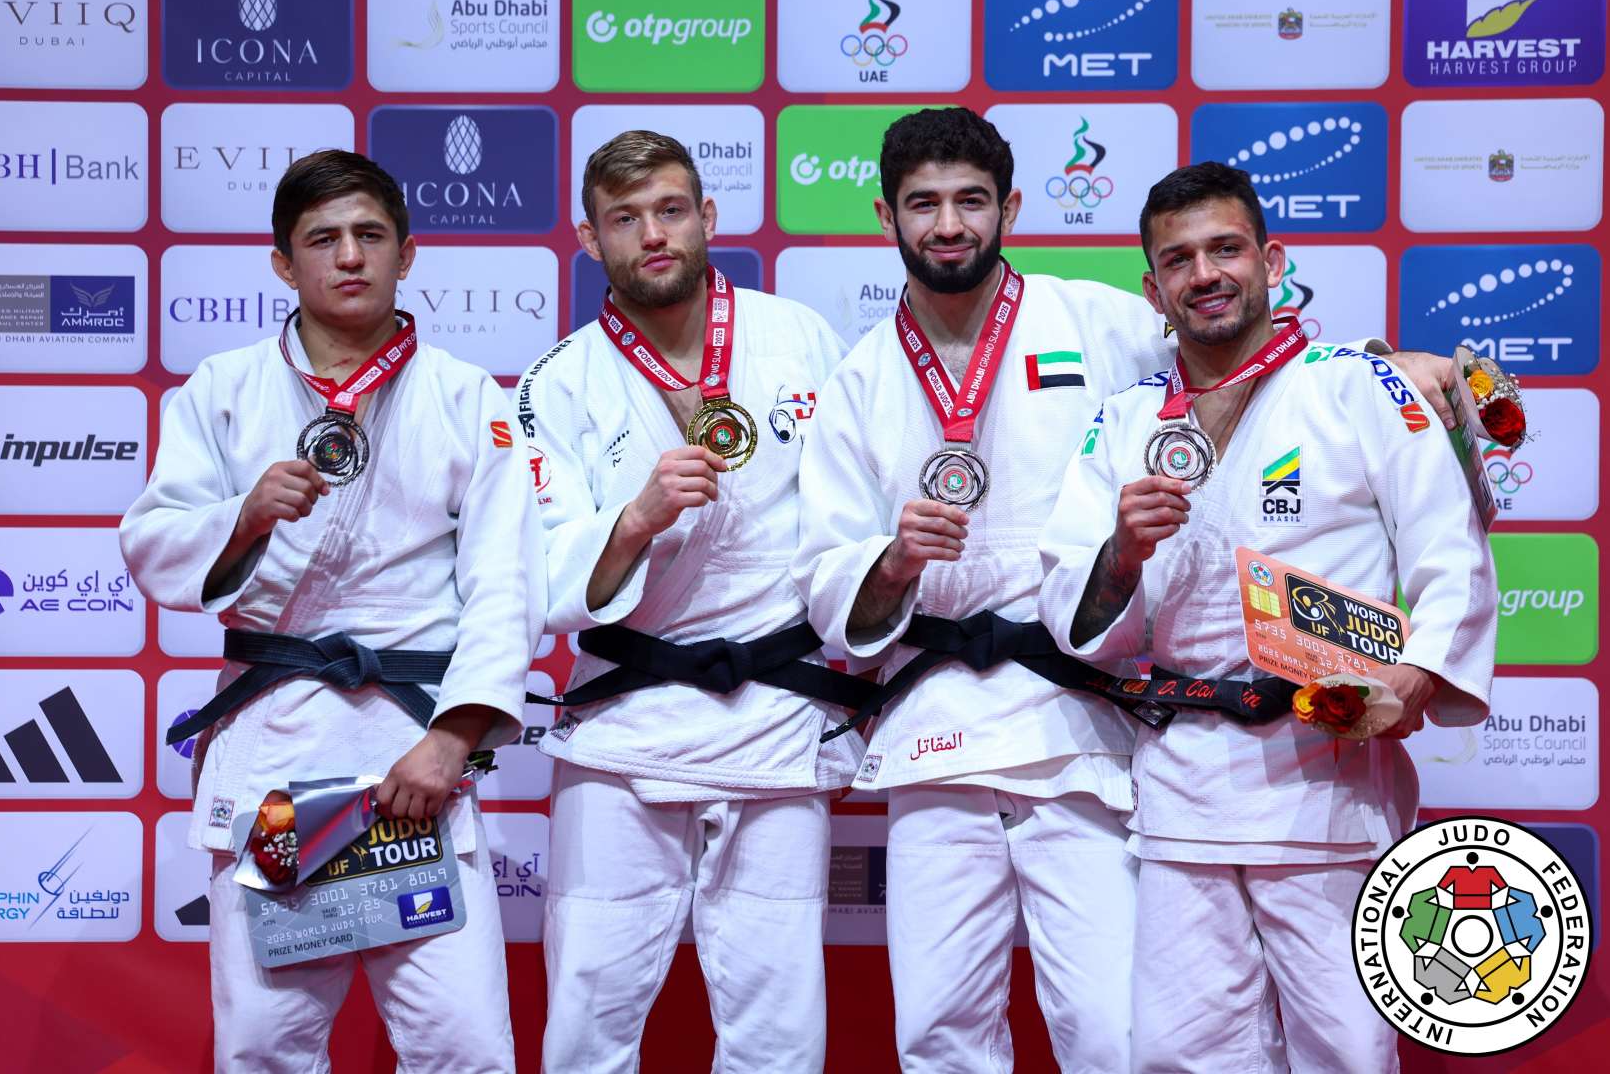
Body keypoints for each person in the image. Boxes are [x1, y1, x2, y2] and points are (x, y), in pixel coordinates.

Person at [1037, 161, 1497, 1073]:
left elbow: (1452, 555)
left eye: (1225, 249)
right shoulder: (1126, 422)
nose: (1204, 273)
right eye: (1178, 259)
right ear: (1153, 288)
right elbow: (1068, 608)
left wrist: (1412, 680)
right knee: (1180, 1050)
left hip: (1323, 768)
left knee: (1347, 1047)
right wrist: (1123, 551)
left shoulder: (1360, 388)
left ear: (1271, 259)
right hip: (1180, 781)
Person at [120, 149, 540, 1073]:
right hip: (276, 755)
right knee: (267, 1046)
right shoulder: (222, 391)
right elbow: (151, 545)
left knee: (463, 1045)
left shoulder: (469, 398)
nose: (350, 256)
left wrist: (454, 741)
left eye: (370, 236)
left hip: (414, 761)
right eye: (323, 239)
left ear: (407, 253)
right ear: (283, 262)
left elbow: (508, 585)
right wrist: (241, 519)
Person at [790, 105, 1176, 1074]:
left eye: (970, 201)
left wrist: (1381, 365)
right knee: (939, 1032)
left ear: (1010, 206)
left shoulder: (1102, 324)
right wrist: (896, 562)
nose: (948, 225)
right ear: (885, 215)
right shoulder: (860, 381)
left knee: (1113, 1028)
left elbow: (1242, 362)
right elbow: (829, 576)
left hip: (1075, 726)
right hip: (935, 736)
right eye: (924, 204)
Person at [519, 130, 864, 1074]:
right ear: (590, 240)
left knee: (779, 1022)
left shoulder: (799, 338)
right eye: (624, 220)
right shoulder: (559, 382)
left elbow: (851, 515)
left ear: (707, 217)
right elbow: (544, 578)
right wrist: (634, 519)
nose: (652, 235)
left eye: (670, 210)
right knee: (589, 1012)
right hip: (625, 725)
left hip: (776, 715)